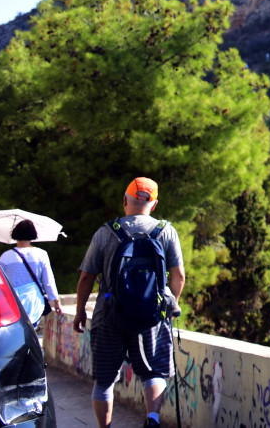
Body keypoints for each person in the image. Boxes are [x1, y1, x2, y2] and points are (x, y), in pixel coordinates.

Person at [75, 177, 185, 428]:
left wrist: (81, 311)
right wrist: (168, 306)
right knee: (153, 372)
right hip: (150, 317)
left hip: (109, 314)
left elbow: (86, 277)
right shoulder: (166, 231)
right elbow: (178, 275)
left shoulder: (106, 232)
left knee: (104, 379)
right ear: (154, 205)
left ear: (125, 200)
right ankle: (153, 419)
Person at [0, 219, 63, 330]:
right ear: (33, 234)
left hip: (12, 303)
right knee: (31, 332)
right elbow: (48, 281)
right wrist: (56, 301)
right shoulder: (41, 254)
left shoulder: (6, 256)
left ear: (15, 234)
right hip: (34, 302)